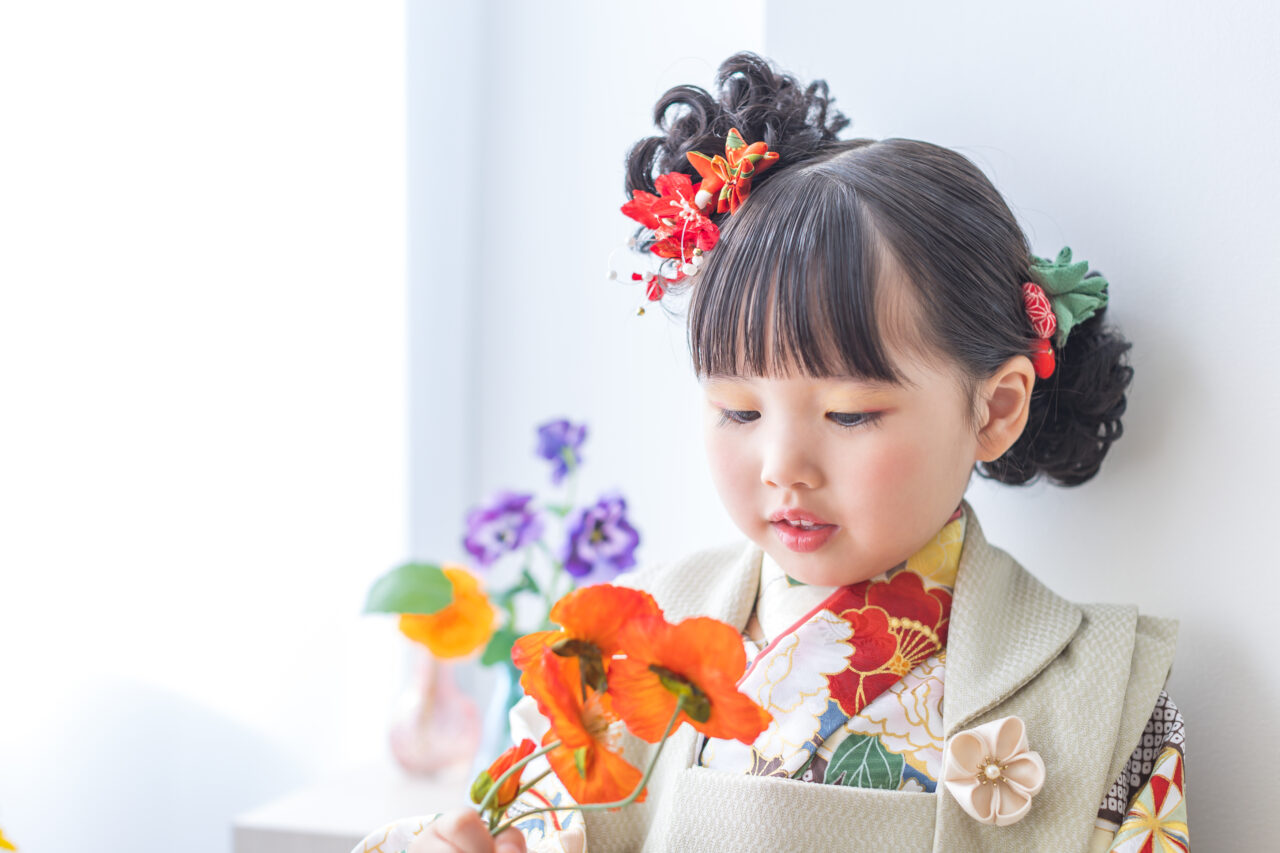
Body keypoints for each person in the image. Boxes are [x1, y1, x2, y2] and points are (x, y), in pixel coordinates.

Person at [355, 51, 1186, 853]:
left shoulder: (1100, 694)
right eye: (739, 409)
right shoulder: (628, 645)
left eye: (852, 414)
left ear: (996, 409)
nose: (783, 464)